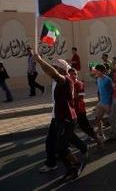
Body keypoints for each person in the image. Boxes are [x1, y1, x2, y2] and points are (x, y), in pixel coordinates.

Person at [31, 52, 84, 181]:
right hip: (60, 117)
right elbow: (51, 72)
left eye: (56, 67)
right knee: (57, 146)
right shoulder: (59, 79)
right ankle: (70, 168)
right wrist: (40, 62)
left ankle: (76, 165)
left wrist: (39, 60)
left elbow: (53, 72)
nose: (53, 69)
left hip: (67, 118)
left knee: (61, 147)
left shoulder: (65, 79)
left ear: (61, 69)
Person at [69, 68, 102, 148]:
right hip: (72, 110)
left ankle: (98, 140)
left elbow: (82, 94)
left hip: (79, 110)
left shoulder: (79, 83)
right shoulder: (69, 84)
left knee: (85, 126)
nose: (73, 76)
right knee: (70, 128)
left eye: (75, 74)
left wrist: (73, 95)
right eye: (71, 74)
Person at [93, 64, 113, 141]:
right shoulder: (98, 79)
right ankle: (101, 134)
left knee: (112, 118)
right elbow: (99, 90)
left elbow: (112, 91)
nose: (96, 72)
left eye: (98, 71)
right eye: (96, 70)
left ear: (102, 71)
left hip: (107, 102)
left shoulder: (108, 80)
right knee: (97, 118)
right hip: (101, 102)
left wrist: (111, 102)